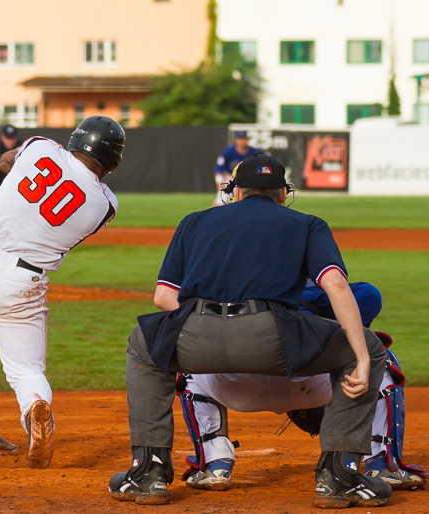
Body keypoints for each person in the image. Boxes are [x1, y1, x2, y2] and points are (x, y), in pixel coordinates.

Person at [108, 152, 393, 508]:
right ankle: (340, 476)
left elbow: (163, 296)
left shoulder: (194, 221)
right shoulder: (306, 223)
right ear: (284, 194)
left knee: (143, 345)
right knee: (366, 347)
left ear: (235, 191)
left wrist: (206, 323)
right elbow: (335, 284)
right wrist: (362, 358)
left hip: (197, 336)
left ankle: (148, 473)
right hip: (272, 338)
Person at [0, 116, 125, 469]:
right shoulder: (105, 204)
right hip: (20, 281)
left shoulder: (41, 146)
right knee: (25, 369)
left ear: (76, 139)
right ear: (112, 162)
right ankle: (33, 405)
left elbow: (6, 160)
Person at [177, 281, 428, 493]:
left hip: (238, 389)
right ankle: (382, 463)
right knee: (377, 356)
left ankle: (214, 463)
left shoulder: (220, 284)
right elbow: (368, 296)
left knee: (190, 358)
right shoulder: (311, 283)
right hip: (312, 384)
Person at [212, 130, 260, 207]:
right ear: (236, 140)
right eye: (239, 139)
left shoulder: (255, 152)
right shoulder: (228, 152)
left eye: (243, 139)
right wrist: (219, 181)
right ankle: (213, 217)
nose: (241, 141)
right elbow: (219, 168)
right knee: (219, 203)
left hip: (250, 180)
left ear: (247, 139)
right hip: (231, 180)